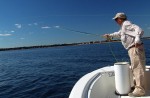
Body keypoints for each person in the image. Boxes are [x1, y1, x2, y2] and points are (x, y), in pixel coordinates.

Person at [103, 12, 146, 97]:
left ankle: (140, 90)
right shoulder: (123, 28)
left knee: (137, 68)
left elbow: (139, 29)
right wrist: (109, 35)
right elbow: (118, 33)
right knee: (135, 68)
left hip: (135, 48)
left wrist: (137, 39)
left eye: (116, 19)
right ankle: (137, 87)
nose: (115, 21)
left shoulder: (126, 24)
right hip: (133, 49)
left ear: (119, 19)